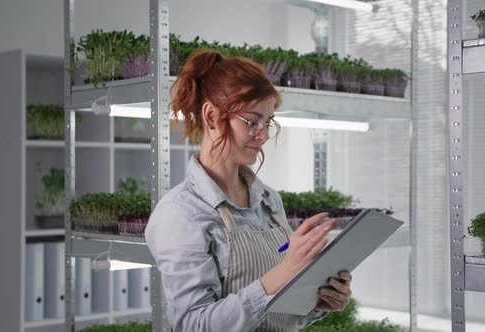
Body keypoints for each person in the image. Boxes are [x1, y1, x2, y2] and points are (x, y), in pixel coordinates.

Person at [144, 49, 353, 332]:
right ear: (212, 116)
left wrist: (317, 301)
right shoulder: (180, 214)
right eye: (252, 122)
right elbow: (193, 325)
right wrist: (281, 274)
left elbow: (279, 313)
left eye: (267, 123)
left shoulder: (268, 201)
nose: (264, 134)